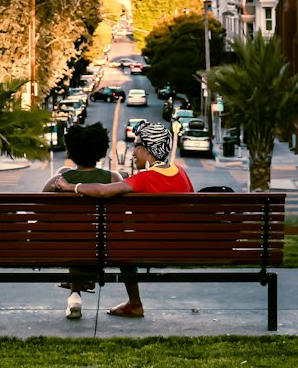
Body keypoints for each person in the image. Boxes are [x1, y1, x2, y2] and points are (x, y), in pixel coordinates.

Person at [51, 119, 194, 318]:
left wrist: (70, 187)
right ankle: (127, 299)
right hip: (184, 245)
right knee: (124, 239)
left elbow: (103, 192)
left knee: (122, 244)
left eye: (136, 146)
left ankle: (133, 302)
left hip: (153, 247)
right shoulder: (181, 172)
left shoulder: (144, 178)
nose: (133, 152)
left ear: (148, 148)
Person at [44, 122, 121, 319]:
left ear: (70, 150)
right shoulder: (113, 178)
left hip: (67, 245)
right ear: (101, 151)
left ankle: (75, 292)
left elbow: (42, 210)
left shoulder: (59, 179)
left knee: (75, 237)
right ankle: (83, 281)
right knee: (91, 237)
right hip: (105, 247)